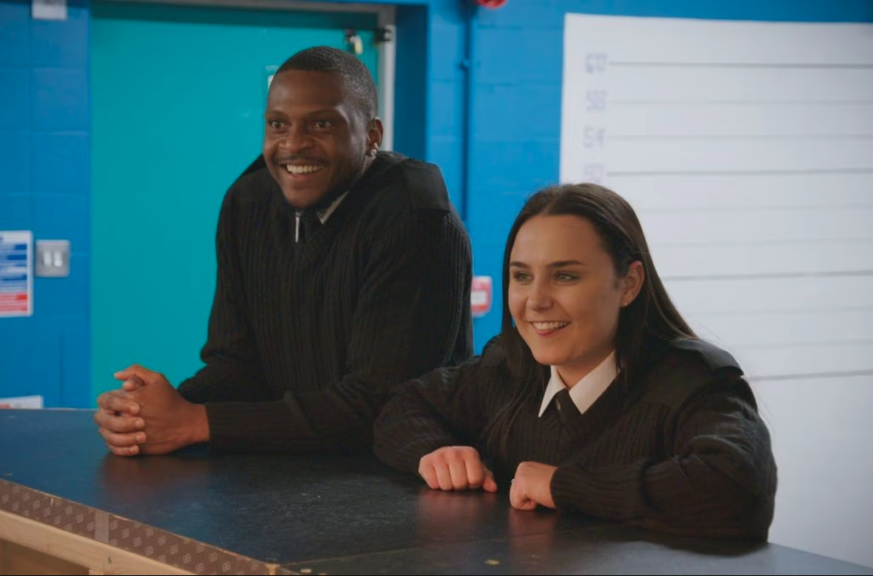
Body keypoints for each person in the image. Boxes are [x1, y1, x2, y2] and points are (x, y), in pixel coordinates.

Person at [94, 46, 473, 457]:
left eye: (322, 124)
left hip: (395, 486)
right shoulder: (247, 201)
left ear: (372, 137)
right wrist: (148, 414)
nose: (293, 144)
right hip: (281, 478)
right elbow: (237, 365)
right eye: (277, 125)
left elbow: (381, 406)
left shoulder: (416, 220)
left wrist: (195, 423)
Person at [374, 183, 777, 540]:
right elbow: (403, 406)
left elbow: (736, 487)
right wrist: (436, 450)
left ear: (629, 284)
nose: (535, 302)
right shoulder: (509, 366)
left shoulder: (694, 384)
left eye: (565, 276)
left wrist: (562, 486)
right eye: (522, 276)